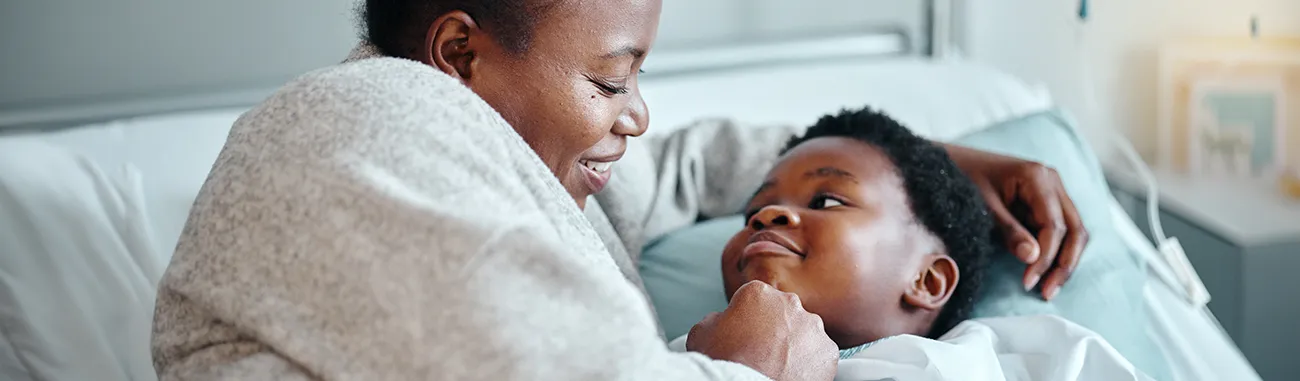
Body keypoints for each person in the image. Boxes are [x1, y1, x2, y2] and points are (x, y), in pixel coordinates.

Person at [151, 0, 1089, 379]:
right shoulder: (361, 125)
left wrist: (933, 160)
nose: (635, 118)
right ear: (459, 54)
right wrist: (738, 371)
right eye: (608, 81)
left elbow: (695, 166)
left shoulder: (537, 167)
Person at [668, 108, 1148, 380]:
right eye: (752, 214)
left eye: (829, 200)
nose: (767, 216)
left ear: (927, 278)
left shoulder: (1005, 357)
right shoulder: (684, 355)